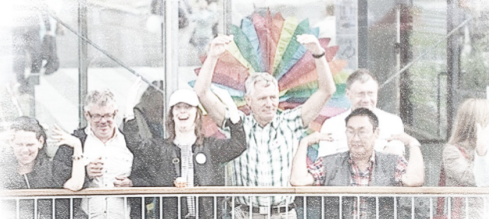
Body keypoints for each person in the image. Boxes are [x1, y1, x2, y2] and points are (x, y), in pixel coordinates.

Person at [194, 34, 336, 218]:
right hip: (245, 213)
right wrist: (212, 56)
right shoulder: (237, 124)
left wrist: (318, 53)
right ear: (248, 100)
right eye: (262, 98)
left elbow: (327, 91)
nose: (269, 103)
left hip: (283, 213)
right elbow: (201, 92)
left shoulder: (290, 122)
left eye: (273, 97)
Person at [129, 88, 246, 218]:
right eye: (178, 107)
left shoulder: (211, 147)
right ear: (172, 115)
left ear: (197, 114)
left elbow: (238, 145)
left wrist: (231, 108)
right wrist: (129, 112)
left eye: (188, 107)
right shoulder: (160, 148)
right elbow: (136, 144)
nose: (182, 111)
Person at [290, 108, 424, 218]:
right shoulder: (329, 163)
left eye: (362, 131)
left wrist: (413, 144)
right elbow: (298, 180)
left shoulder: (392, 162)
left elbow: (414, 180)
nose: (355, 138)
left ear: (376, 133)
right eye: (350, 131)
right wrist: (304, 143)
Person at [52, 88, 134, 219]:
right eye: (97, 116)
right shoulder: (74, 142)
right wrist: (85, 173)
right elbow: (57, 178)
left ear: (115, 113)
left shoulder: (129, 141)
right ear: (87, 115)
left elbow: (148, 175)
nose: (103, 121)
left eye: (107, 115)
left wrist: (131, 183)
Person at [0, 116, 85, 218]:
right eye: (19, 144)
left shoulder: (51, 168)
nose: (24, 150)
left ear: (40, 142)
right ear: (11, 143)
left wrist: (77, 146)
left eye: (30, 145)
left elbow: (75, 185)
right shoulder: (2, 171)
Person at [319, 69, 405, 157]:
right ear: (348, 94)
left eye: (370, 93)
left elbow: (395, 160)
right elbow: (326, 163)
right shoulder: (331, 125)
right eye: (360, 94)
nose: (366, 100)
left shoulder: (393, 122)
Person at [441, 98, 489, 218]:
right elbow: (473, 178)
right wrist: (481, 151)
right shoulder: (452, 151)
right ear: (479, 122)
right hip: (467, 214)